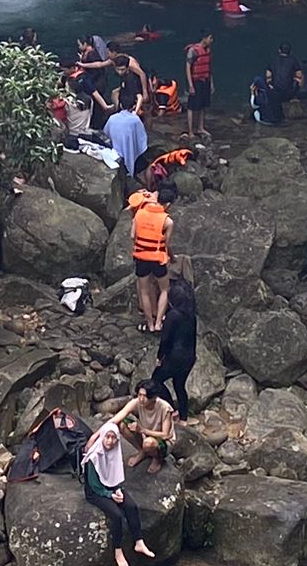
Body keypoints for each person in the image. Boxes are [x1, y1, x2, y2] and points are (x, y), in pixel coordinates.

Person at [80, 404, 158, 566]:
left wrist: (117, 490)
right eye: (107, 437)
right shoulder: (94, 457)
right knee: (116, 515)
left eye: (113, 438)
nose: (109, 441)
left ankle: (138, 541)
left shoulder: (114, 453)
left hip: (110, 487)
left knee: (131, 505)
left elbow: (115, 476)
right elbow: (94, 485)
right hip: (95, 492)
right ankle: (118, 550)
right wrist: (110, 495)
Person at [129, 182, 175, 334]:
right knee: (164, 290)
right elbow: (166, 244)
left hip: (141, 257)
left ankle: (149, 324)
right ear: (167, 204)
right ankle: (158, 324)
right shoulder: (167, 221)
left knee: (144, 291)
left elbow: (132, 236)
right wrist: (172, 258)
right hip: (157, 259)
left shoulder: (140, 213)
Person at [152, 278, 197, 420]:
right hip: (189, 357)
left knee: (156, 380)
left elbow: (166, 339)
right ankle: (183, 416)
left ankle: (169, 408)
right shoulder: (191, 316)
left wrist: (160, 357)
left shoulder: (173, 316)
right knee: (179, 386)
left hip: (174, 357)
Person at [124, 381, 177, 475]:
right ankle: (142, 452)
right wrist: (96, 435)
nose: (141, 399)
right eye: (139, 395)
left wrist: (143, 430)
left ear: (153, 397)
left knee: (148, 443)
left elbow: (165, 435)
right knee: (122, 424)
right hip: (145, 435)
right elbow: (118, 417)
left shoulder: (164, 407)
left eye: (145, 396)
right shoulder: (137, 402)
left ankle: (157, 459)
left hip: (162, 441)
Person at [104, 101, 149, 178]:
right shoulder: (135, 120)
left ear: (120, 105)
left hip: (114, 153)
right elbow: (142, 140)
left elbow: (105, 134)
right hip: (128, 152)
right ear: (134, 106)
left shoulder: (112, 118)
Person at [184, 31, 213, 140]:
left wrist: (211, 83)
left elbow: (209, 68)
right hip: (195, 81)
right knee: (192, 106)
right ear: (205, 38)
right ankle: (191, 131)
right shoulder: (193, 51)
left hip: (205, 80)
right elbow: (187, 67)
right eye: (210, 38)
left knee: (203, 104)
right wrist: (190, 85)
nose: (211, 40)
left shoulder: (208, 50)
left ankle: (200, 127)